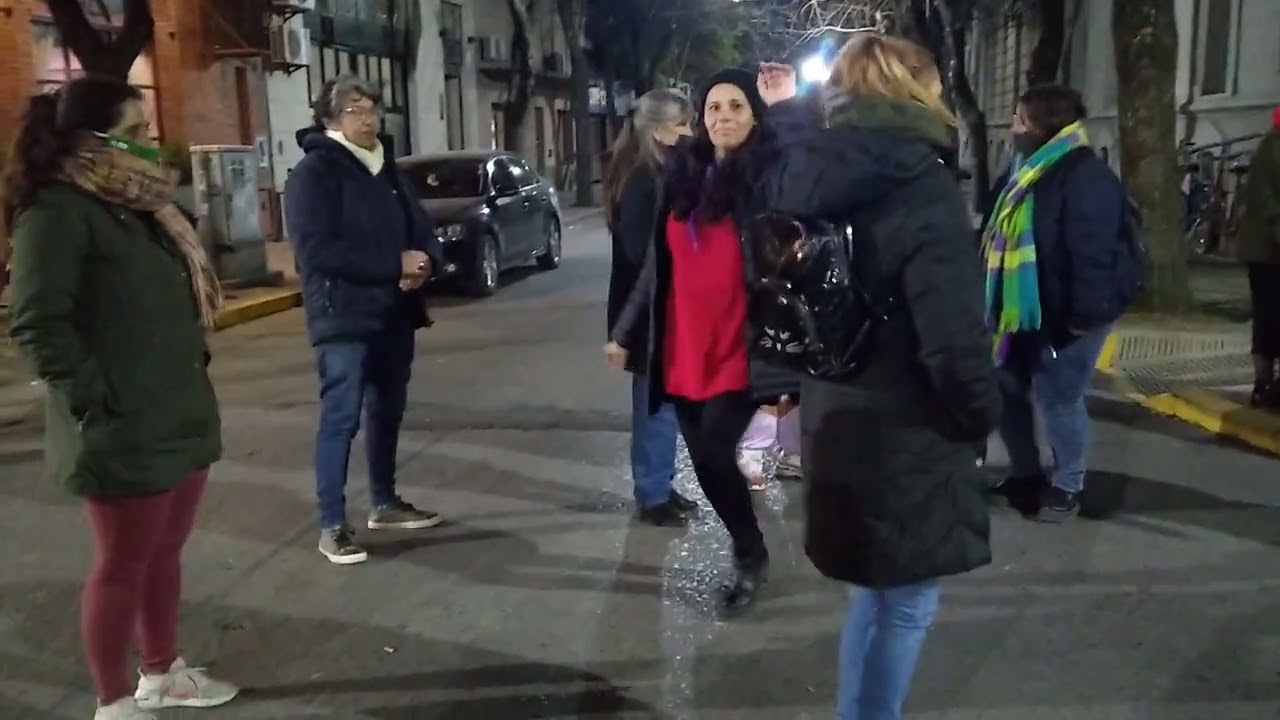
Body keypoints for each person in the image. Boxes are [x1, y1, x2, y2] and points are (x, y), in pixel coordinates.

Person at [754, 36, 999, 718]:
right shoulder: (922, 187)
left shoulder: (810, 175)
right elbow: (953, 337)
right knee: (907, 602)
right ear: (919, 91)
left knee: (872, 592)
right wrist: (982, 414)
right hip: (909, 426)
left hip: (835, 412)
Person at [4, 77, 238, 719]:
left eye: (147, 131)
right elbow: (37, 323)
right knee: (122, 565)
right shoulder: (56, 212)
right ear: (90, 140)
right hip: (122, 422)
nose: (149, 145)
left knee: (163, 553)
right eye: (134, 133)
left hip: (176, 410)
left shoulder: (140, 206)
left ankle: (161, 673)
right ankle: (112, 701)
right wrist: (96, 401)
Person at [605, 67, 790, 618]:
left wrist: (789, 369)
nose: (723, 116)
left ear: (755, 116)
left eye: (736, 106)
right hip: (683, 345)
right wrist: (625, 332)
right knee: (707, 463)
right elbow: (654, 268)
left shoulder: (770, 179)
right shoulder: (682, 177)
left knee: (713, 450)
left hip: (740, 344)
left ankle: (749, 553)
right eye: (713, 107)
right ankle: (748, 546)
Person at [284, 75, 444, 565]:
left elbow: (421, 228)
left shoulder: (387, 168)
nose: (368, 119)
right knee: (341, 417)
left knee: (387, 412)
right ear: (330, 118)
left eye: (373, 108)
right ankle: (332, 524)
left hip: (394, 312)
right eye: (355, 110)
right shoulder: (314, 173)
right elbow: (316, 252)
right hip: (343, 316)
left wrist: (426, 261)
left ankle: (384, 502)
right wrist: (393, 265)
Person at [983, 84, 1134, 521]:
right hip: (1021, 308)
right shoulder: (1025, 170)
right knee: (1006, 387)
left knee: (1058, 396)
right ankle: (1025, 474)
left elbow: (1094, 254)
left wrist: (1083, 318)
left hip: (1071, 312)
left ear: (1042, 126)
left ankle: (1068, 485)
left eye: (1020, 120)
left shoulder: (1084, 175)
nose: (1013, 128)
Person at [603, 88, 700, 526]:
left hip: (657, 308)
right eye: (682, 124)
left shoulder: (656, 172)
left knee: (663, 405)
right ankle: (652, 493)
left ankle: (660, 483)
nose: (689, 132)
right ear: (659, 131)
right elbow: (641, 253)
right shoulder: (643, 179)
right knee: (654, 406)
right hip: (648, 313)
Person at [1236, 106, 1280, 408]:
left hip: (1265, 251)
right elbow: (1270, 209)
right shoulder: (1274, 149)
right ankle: (1264, 385)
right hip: (1270, 253)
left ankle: (1264, 385)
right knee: (1268, 319)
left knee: (1267, 318)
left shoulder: (1270, 146)